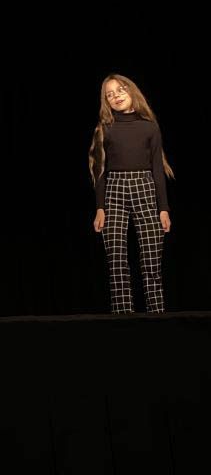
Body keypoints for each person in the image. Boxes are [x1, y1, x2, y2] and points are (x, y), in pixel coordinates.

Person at [89, 74, 174, 314]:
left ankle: (157, 317)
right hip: (114, 191)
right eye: (110, 94)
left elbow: (157, 169)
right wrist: (100, 207)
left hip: (145, 187)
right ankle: (123, 319)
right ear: (106, 101)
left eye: (120, 89)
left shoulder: (149, 127)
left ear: (132, 91)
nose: (116, 96)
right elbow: (99, 171)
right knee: (116, 261)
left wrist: (163, 208)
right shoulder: (104, 129)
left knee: (151, 261)